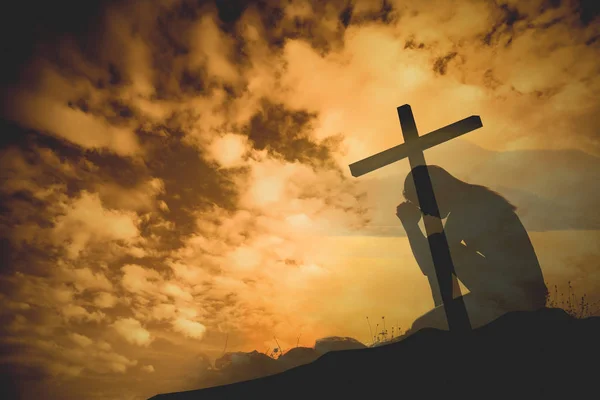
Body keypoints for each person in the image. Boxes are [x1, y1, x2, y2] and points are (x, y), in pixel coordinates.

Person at [396, 165, 548, 332]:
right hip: (517, 294)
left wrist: (410, 226)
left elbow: (429, 263)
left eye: (421, 203)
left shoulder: (468, 209)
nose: (424, 210)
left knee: (422, 326)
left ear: (436, 192)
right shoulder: (477, 199)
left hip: (514, 298)